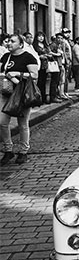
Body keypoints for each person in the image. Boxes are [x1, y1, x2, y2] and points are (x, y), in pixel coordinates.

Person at [0, 34, 39, 165]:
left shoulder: (28, 57)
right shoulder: (6, 57)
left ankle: (23, 151)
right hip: (6, 93)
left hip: (22, 94)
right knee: (2, 122)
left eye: (12, 41)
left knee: (22, 124)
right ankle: (8, 150)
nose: (9, 43)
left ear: (20, 44)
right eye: (8, 41)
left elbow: (34, 75)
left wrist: (17, 74)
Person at [33, 32, 50, 103]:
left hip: (45, 65)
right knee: (39, 82)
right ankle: (38, 98)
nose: (41, 38)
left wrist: (48, 55)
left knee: (44, 82)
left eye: (42, 36)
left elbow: (49, 52)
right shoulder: (34, 46)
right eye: (39, 36)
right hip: (39, 65)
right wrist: (40, 56)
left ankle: (44, 97)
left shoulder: (45, 45)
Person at [47, 34, 63, 103]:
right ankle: (53, 97)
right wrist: (57, 54)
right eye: (58, 38)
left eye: (61, 38)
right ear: (55, 38)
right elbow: (49, 52)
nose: (60, 39)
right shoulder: (53, 45)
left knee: (57, 82)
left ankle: (55, 95)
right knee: (54, 82)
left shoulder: (59, 45)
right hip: (55, 65)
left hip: (58, 64)